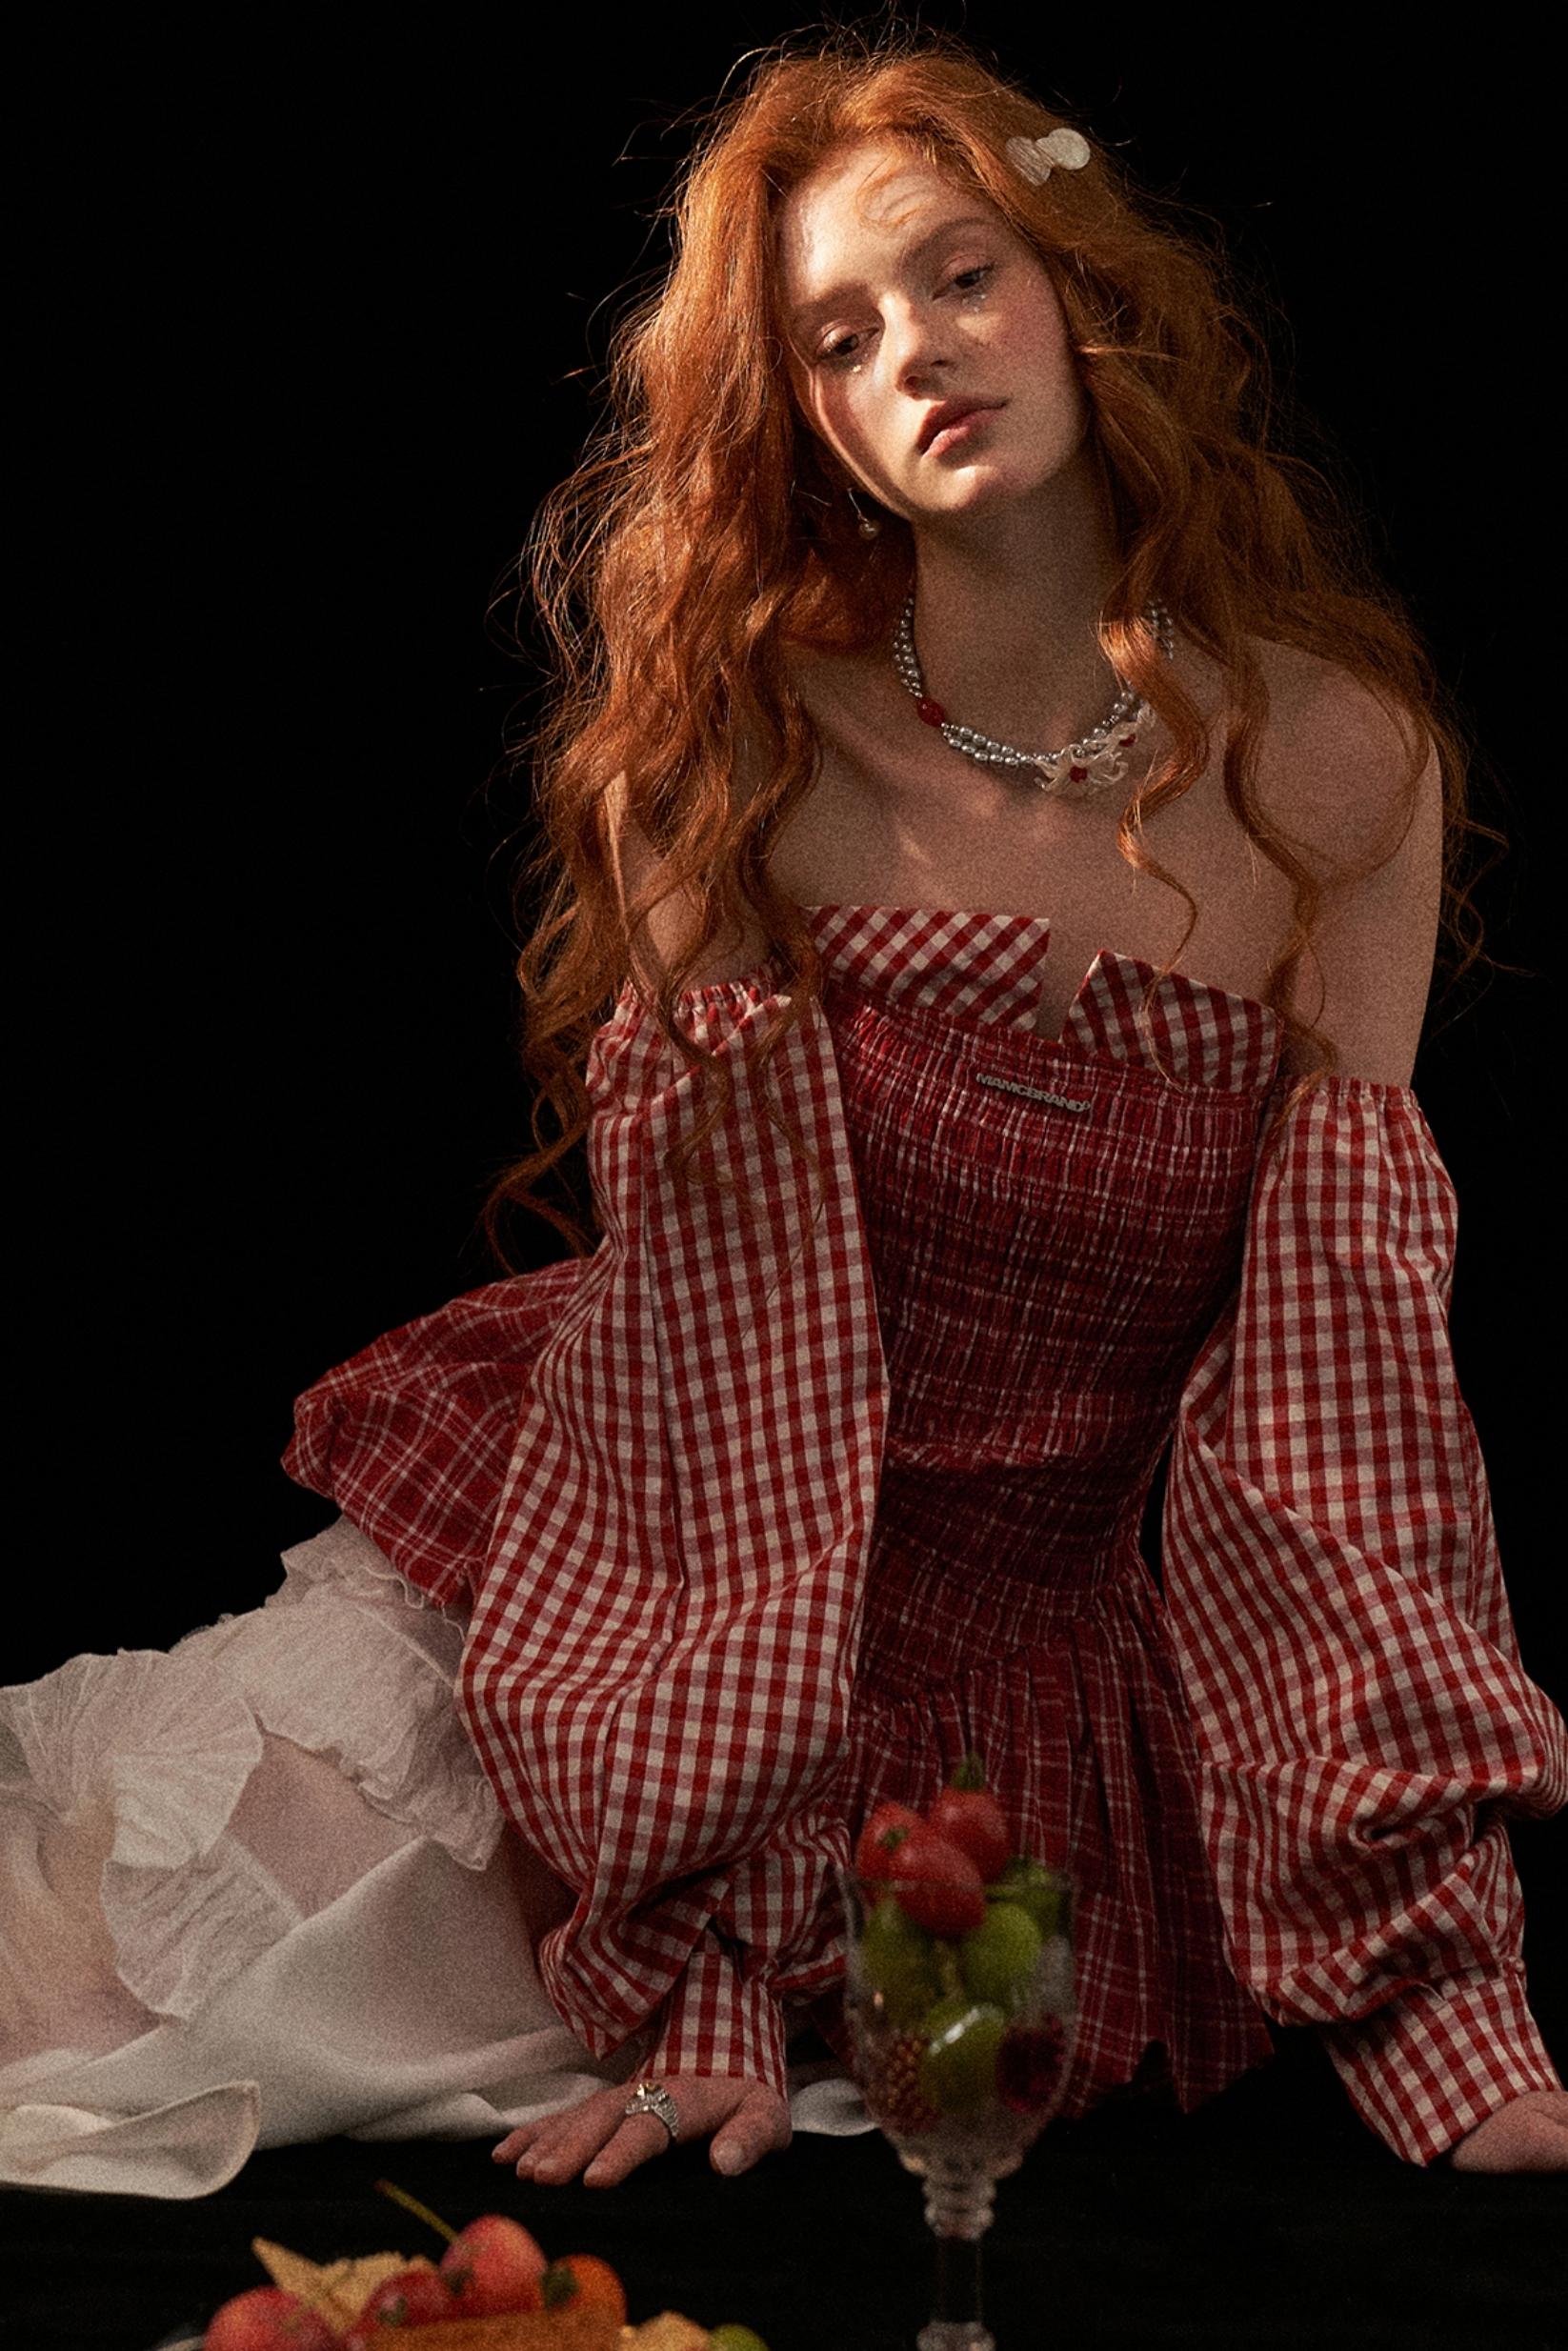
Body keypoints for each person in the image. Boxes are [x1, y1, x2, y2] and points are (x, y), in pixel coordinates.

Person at [3, 30, 1565, 2200]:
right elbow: (708, 1383)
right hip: (631, 1626)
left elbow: (1338, 1406)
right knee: (124, 1976)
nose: (913, 352)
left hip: (1011, 1711)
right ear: (801, 420)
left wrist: (1434, 1997)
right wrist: (710, 1961)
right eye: (836, 338)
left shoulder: (1336, 762)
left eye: (959, 276)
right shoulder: (730, 759)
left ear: (1079, 290)